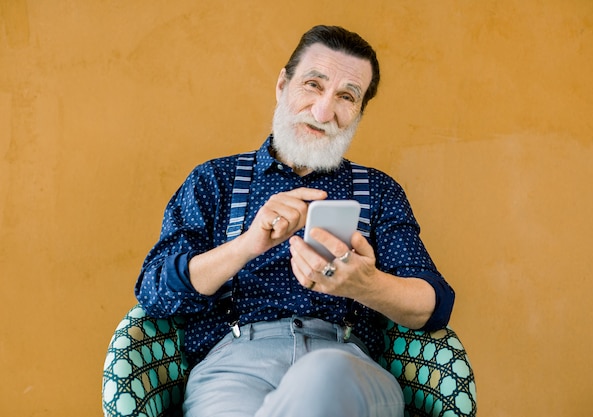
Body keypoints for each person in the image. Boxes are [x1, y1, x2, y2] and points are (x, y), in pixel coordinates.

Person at [135, 25, 455, 417]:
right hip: (233, 368)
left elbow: (434, 305)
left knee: (323, 375)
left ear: (358, 112)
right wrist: (246, 245)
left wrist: (367, 286)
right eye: (313, 85)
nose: (323, 112)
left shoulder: (379, 190)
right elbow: (154, 292)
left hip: (347, 366)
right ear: (282, 86)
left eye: (346, 96)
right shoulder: (214, 180)